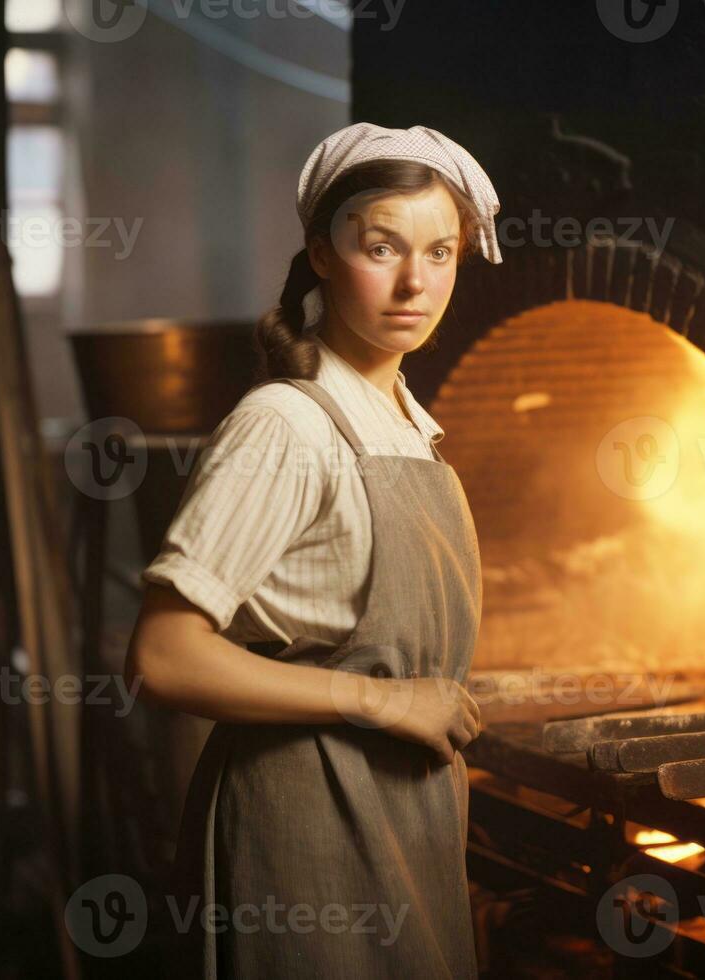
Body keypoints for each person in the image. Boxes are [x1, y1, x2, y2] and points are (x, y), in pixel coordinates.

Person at [126, 121, 504, 978]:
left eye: (439, 252)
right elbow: (162, 657)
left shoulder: (410, 425)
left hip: (405, 824)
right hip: (306, 827)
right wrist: (385, 704)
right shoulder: (286, 426)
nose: (416, 281)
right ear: (322, 254)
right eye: (382, 247)